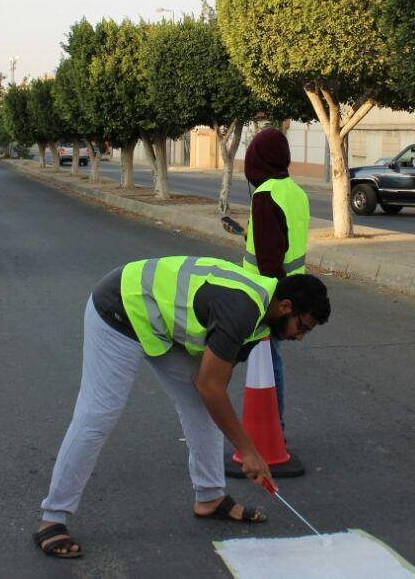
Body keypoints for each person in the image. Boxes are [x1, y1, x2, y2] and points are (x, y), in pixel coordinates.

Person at [35, 257, 330, 559]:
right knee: (98, 414)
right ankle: (53, 518)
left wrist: (236, 432)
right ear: (285, 307)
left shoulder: (262, 320)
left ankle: (210, 497)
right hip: (119, 308)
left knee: (204, 407)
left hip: (159, 324)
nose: (300, 336)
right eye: (301, 326)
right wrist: (250, 451)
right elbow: (210, 387)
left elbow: (214, 386)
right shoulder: (242, 309)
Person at [239, 127, 310, 427]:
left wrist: (273, 304)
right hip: (290, 290)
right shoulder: (296, 192)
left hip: (267, 294)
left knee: (267, 363)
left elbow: (269, 260)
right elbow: (283, 242)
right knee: (269, 359)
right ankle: (271, 427)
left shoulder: (266, 195)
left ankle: (270, 429)